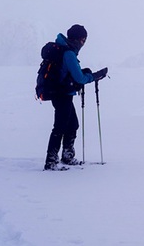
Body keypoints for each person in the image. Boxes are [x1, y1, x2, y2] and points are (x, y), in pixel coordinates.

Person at [44, 24, 108, 170]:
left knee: (72, 124)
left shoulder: (64, 50)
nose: (83, 43)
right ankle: (51, 161)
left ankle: (66, 156)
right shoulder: (68, 53)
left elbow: (71, 73)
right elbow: (79, 78)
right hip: (61, 94)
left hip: (61, 93)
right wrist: (94, 76)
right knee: (60, 127)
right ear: (77, 39)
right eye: (83, 40)